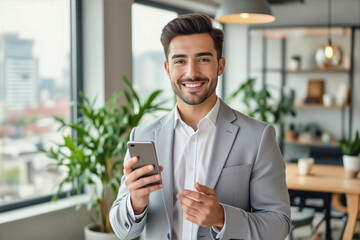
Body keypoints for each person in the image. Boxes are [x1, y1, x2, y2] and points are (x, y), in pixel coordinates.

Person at [110, 13, 291, 240]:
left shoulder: (258, 136)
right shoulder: (145, 136)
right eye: (180, 61)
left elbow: (279, 224)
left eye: (203, 59)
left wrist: (222, 217)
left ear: (220, 65)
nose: (191, 72)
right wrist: (135, 203)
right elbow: (122, 231)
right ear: (167, 69)